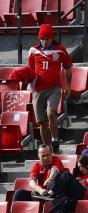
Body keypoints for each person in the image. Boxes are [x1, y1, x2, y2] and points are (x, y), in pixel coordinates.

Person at [17, 24, 72, 153]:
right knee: (42, 122)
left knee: (51, 113)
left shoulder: (60, 50)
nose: (44, 41)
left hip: (54, 88)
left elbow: (68, 68)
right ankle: (47, 149)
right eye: (42, 38)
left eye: (47, 38)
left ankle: (55, 139)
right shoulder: (33, 50)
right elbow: (29, 70)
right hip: (38, 90)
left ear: (52, 38)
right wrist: (25, 80)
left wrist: (68, 86)